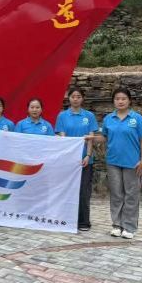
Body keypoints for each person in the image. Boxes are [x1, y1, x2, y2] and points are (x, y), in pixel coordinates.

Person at [88, 87, 142, 239]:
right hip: (113, 162)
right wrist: (91, 139)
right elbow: (104, 137)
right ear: (113, 101)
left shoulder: (137, 119)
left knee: (131, 195)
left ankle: (129, 227)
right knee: (116, 194)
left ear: (129, 101)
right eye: (117, 99)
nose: (120, 101)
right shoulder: (109, 119)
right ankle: (117, 225)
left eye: (123, 98)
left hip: (133, 163)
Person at [55, 87, 99, 232]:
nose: (75, 99)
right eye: (73, 96)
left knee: (84, 192)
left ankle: (83, 222)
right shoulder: (62, 116)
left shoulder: (89, 116)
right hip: (67, 161)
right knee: (66, 190)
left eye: (78, 96)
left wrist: (88, 155)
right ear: (69, 98)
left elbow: (91, 138)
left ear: (82, 98)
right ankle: (66, 219)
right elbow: (62, 137)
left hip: (85, 160)